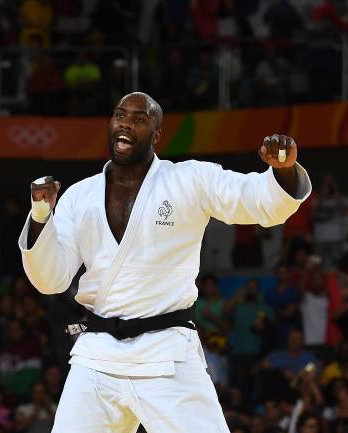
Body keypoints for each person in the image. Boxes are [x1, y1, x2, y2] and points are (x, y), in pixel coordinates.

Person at [18, 92, 312, 433]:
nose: (126, 123)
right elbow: (50, 279)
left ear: (156, 135)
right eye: (119, 115)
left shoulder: (189, 180)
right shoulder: (80, 195)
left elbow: (256, 200)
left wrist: (284, 171)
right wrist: (41, 214)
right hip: (97, 357)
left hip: (167, 355)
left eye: (139, 119)